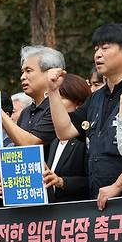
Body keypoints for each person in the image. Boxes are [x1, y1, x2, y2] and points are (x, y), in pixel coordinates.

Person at [46, 23, 122, 210]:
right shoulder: (96, 98)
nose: (97, 54)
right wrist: (53, 91)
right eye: (96, 49)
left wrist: (117, 187)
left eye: (105, 48)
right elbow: (64, 131)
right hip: (98, 198)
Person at [0, 45, 61, 158]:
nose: (22, 77)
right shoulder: (26, 112)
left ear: (50, 73)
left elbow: (30, 143)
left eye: (28, 71)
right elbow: (20, 151)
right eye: (22, 72)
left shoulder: (57, 108)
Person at [43, 73, 91, 203]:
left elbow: (93, 180)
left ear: (79, 104)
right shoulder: (55, 140)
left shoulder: (86, 139)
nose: (54, 104)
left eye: (61, 98)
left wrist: (62, 182)